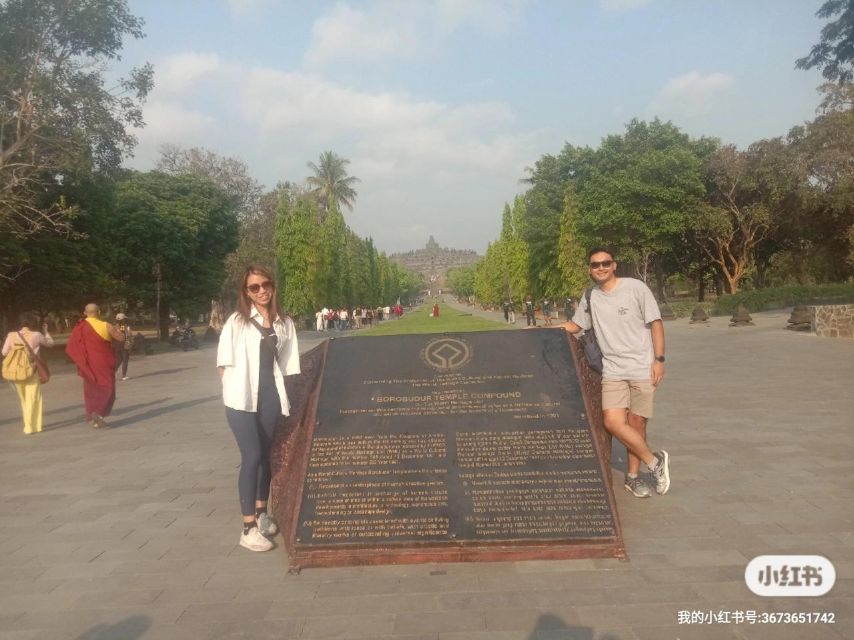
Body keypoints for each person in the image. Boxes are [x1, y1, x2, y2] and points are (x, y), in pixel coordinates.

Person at [553, 248, 670, 498]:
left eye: (605, 263)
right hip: (613, 370)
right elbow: (576, 325)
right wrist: (544, 330)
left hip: (641, 367)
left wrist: (659, 360)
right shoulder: (591, 297)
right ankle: (655, 461)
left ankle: (633, 477)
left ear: (614, 265)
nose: (601, 268)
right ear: (590, 269)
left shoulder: (636, 288)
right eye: (595, 265)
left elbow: (656, 323)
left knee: (636, 424)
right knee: (613, 422)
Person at [217, 265, 300, 552]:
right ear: (246, 292)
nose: (262, 290)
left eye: (266, 284)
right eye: (254, 287)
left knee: (265, 455)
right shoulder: (236, 322)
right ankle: (248, 527)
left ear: (273, 286)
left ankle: (262, 512)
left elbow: (288, 366)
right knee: (251, 455)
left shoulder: (284, 323)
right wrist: (234, 393)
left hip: (270, 398)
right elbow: (223, 363)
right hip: (240, 399)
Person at [65, 304, 124, 428]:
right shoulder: (106, 325)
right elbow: (121, 338)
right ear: (99, 312)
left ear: (85, 313)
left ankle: (95, 415)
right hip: (104, 362)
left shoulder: (79, 327)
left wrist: (81, 361)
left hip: (88, 364)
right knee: (108, 387)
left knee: (91, 390)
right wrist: (120, 330)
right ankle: (98, 413)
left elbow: (71, 347)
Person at [2, 313, 54, 434]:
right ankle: (32, 426)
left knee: (23, 399)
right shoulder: (36, 335)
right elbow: (50, 343)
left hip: (15, 372)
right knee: (33, 398)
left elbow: (4, 352)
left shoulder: (11, 335)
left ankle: (27, 424)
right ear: (32, 323)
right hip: (32, 371)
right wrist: (46, 332)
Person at [113, 313, 133, 381]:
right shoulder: (123, 326)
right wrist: (130, 344)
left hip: (117, 345)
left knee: (119, 360)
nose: (125, 320)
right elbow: (126, 335)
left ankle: (112, 374)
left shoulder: (115, 326)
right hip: (123, 345)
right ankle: (124, 376)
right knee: (125, 360)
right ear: (123, 319)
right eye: (124, 319)